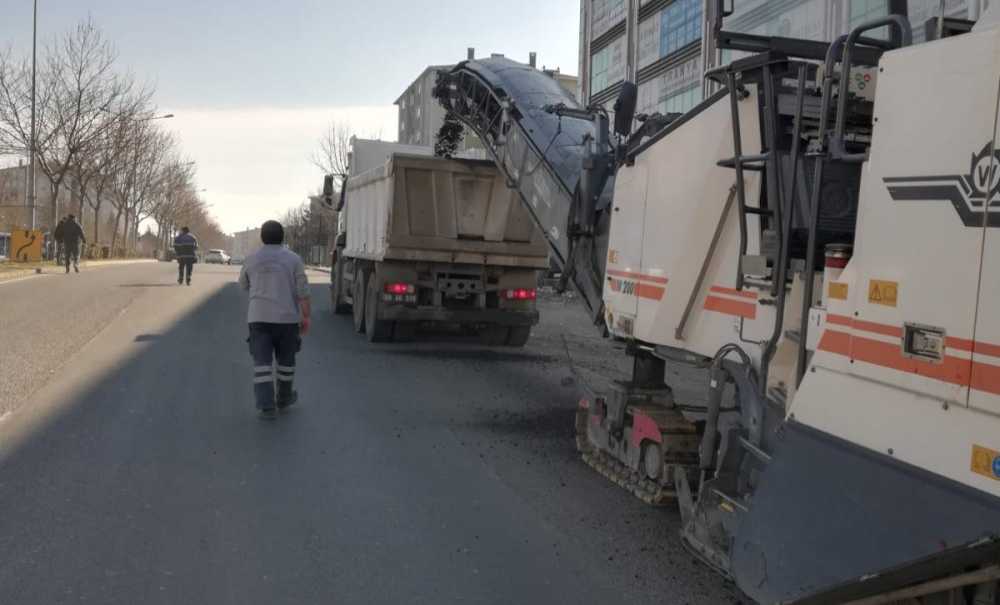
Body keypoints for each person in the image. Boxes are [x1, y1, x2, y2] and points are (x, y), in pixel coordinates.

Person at [239, 220, 311, 419]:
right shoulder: (294, 259)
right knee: (286, 363)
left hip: (258, 318)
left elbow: (243, 284)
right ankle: (284, 398)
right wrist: (306, 316)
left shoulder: (251, 259)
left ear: (262, 237)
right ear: (283, 237)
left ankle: (265, 404)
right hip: (287, 320)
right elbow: (303, 292)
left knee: (262, 363)